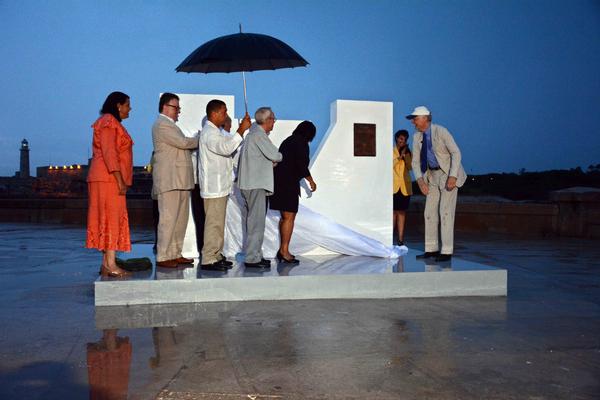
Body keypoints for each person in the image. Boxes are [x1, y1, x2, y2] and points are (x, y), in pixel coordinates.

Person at [408, 106, 466, 262]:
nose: (413, 122)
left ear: (425, 118)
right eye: (413, 119)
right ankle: (431, 249)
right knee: (429, 213)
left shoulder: (441, 131)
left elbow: (456, 152)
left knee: (445, 212)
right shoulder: (416, 137)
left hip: (447, 174)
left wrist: (453, 176)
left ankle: (446, 251)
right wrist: (420, 181)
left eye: (415, 118)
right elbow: (415, 161)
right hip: (431, 176)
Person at [198, 100, 251, 271]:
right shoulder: (209, 133)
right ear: (214, 114)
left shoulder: (216, 132)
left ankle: (216, 255)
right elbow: (226, 148)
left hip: (219, 186)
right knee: (214, 224)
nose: (226, 115)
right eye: (223, 112)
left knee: (218, 224)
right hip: (214, 187)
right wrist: (241, 130)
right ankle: (208, 259)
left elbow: (228, 150)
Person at [86, 91, 133, 278]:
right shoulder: (108, 122)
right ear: (118, 105)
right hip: (107, 178)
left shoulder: (110, 123)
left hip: (106, 177)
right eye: (128, 104)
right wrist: (119, 179)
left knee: (109, 217)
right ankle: (111, 264)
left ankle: (106, 263)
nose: (130, 108)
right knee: (111, 217)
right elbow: (109, 152)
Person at [152, 93, 199, 268]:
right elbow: (183, 143)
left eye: (179, 108)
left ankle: (175, 253)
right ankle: (163, 255)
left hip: (180, 180)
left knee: (180, 220)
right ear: (165, 107)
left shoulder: (170, 125)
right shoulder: (161, 124)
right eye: (176, 107)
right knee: (168, 219)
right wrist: (202, 138)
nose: (178, 111)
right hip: (169, 180)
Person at [237, 107, 283, 268]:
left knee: (254, 222)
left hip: (251, 184)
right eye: (273, 119)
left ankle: (255, 254)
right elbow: (276, 155)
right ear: (268, 120)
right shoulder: (259, 136)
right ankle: (252, 258)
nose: (274, 123)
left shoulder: (252, 135)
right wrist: (274, 160)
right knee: (256, 223)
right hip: (256, 184)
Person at [269, 121, 317, 264]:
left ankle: (282, 250)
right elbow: (302, 165)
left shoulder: (288, 141)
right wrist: (311, 181)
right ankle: (284, 251)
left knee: (284, 217)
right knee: (289, 218)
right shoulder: (301, 143)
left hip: (278, 183)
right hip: (288, 185)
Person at [393, 129, 412, 246]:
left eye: (404, 139)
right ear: (396, 139)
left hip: (405, 187)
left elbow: (410, 167)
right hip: (393, 187)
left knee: (402, 213)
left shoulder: (408, 152)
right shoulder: (392, 151)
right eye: (400, 138)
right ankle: (389, 239)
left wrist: (406, 156)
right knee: (393, 213)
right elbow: (390, 165)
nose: (402, 141)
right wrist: (399, 157)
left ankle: (400, 239)